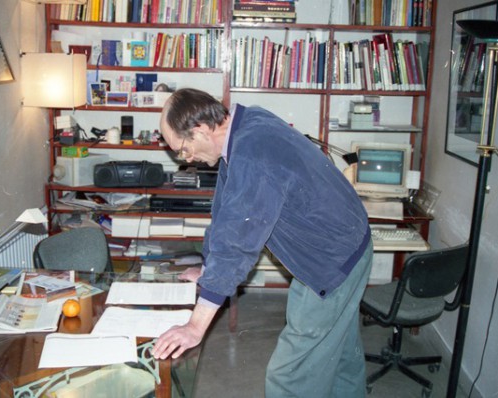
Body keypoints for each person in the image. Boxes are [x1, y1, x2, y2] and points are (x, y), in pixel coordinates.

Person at [152, 88, 373, 397]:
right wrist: (208, 269)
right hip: (353, 243)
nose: (186, 159)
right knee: (340, 355)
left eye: (183, 148)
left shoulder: (252, 150)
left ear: (201, 129)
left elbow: (239, 241)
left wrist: (195, 327)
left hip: (331, 260)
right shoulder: (244, 125)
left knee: (290, 376)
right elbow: (226, 214)